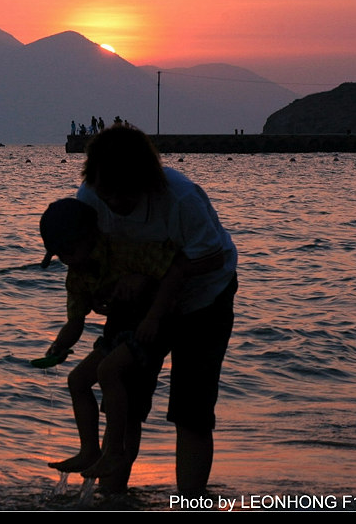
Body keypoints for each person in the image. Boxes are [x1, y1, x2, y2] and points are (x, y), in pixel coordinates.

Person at [76, 124, 238, 497]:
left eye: (123, 194)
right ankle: (111, 497)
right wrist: (95, 289)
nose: (113, 202)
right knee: (125, 399)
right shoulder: (90, 196)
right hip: (136, 300)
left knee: (192, 410)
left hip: (204, 300)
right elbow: (87, 252)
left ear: (146, 182)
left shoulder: (180, 199)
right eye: (106, 192)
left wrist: (151, 283)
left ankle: (191, 501)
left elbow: (209, 258)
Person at [39, 198, 178, 492]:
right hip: (117, 333)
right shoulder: (76, 273)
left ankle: (114, 451)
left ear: (91, 234)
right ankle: (90, 450)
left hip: (152, 329)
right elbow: (76, 320)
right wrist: (59, 347)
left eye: (70, 251)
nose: (68, 260)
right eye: (60, 256)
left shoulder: (124, 249)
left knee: (109, 371)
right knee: (77, 380)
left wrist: (147, 293)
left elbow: (172, 267)